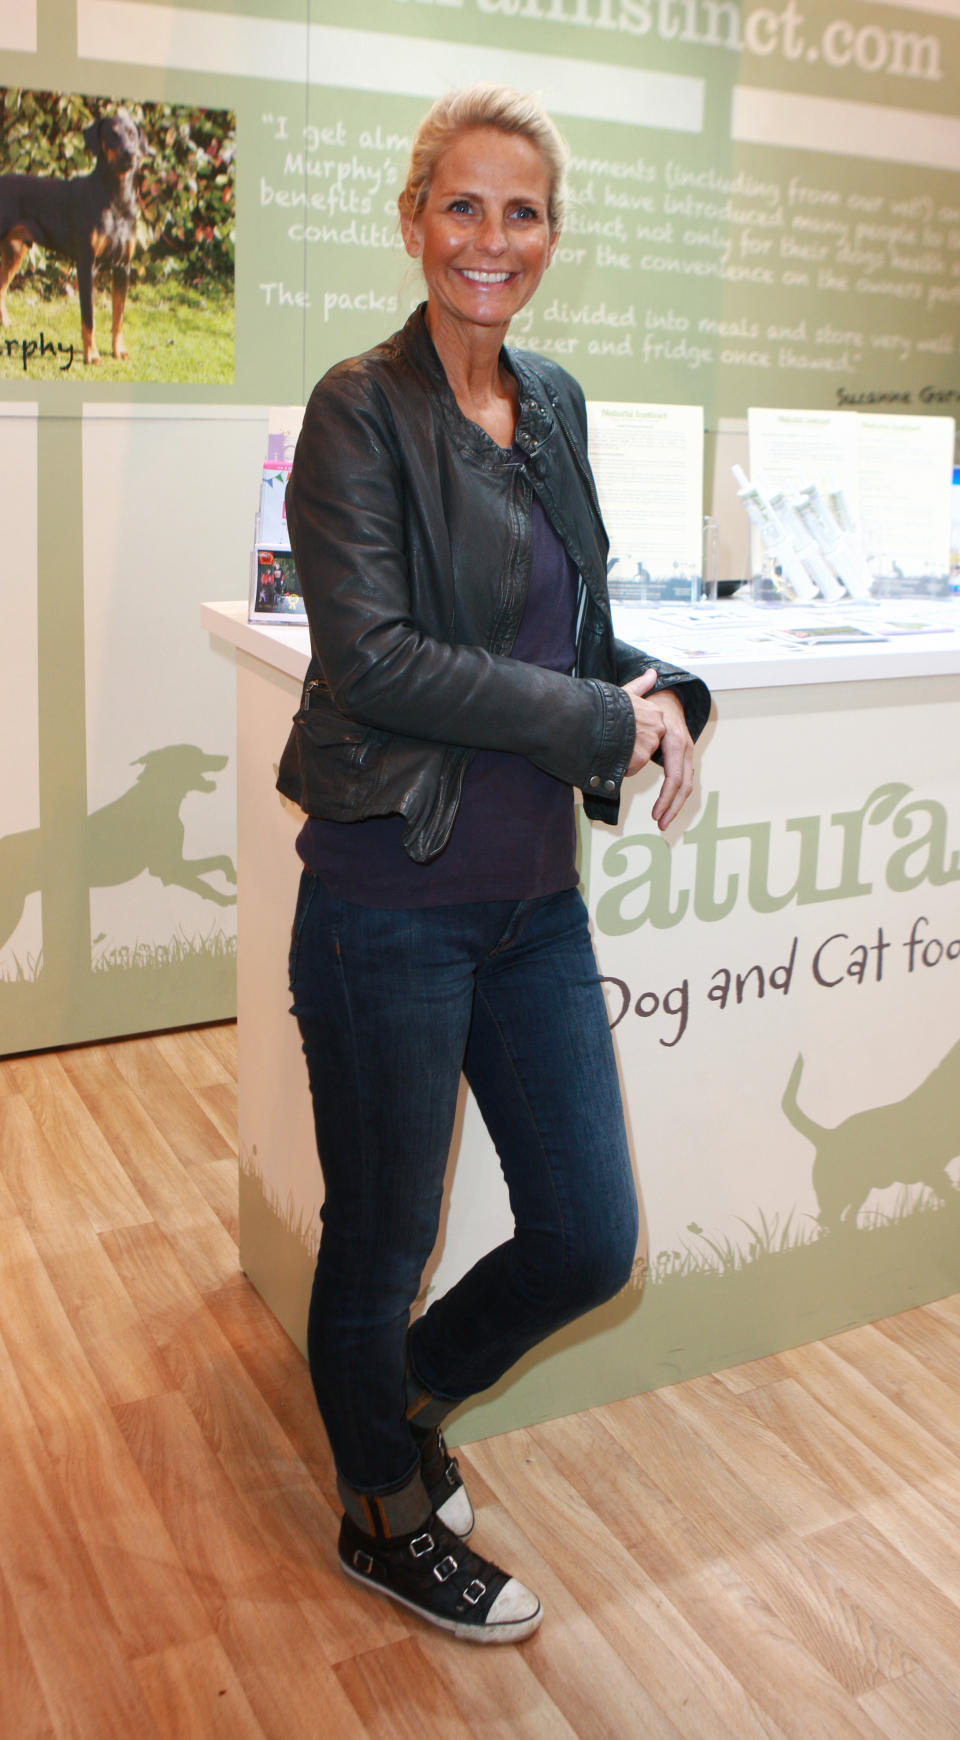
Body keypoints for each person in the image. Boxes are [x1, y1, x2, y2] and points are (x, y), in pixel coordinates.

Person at [278, 84, 711, 1645]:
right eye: (461, 206)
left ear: (549, 236)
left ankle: (386, 1407)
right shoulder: (356, 409)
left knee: (589, 1236)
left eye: (519, 211)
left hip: (534, 903)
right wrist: (602, 713)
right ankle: (382, 1514)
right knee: (382, 1237)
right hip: (391, 901)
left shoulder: (560, 403)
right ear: (414, 222)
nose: (490, 239)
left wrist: (663, 692)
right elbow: (381, 660)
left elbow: (572, 636)